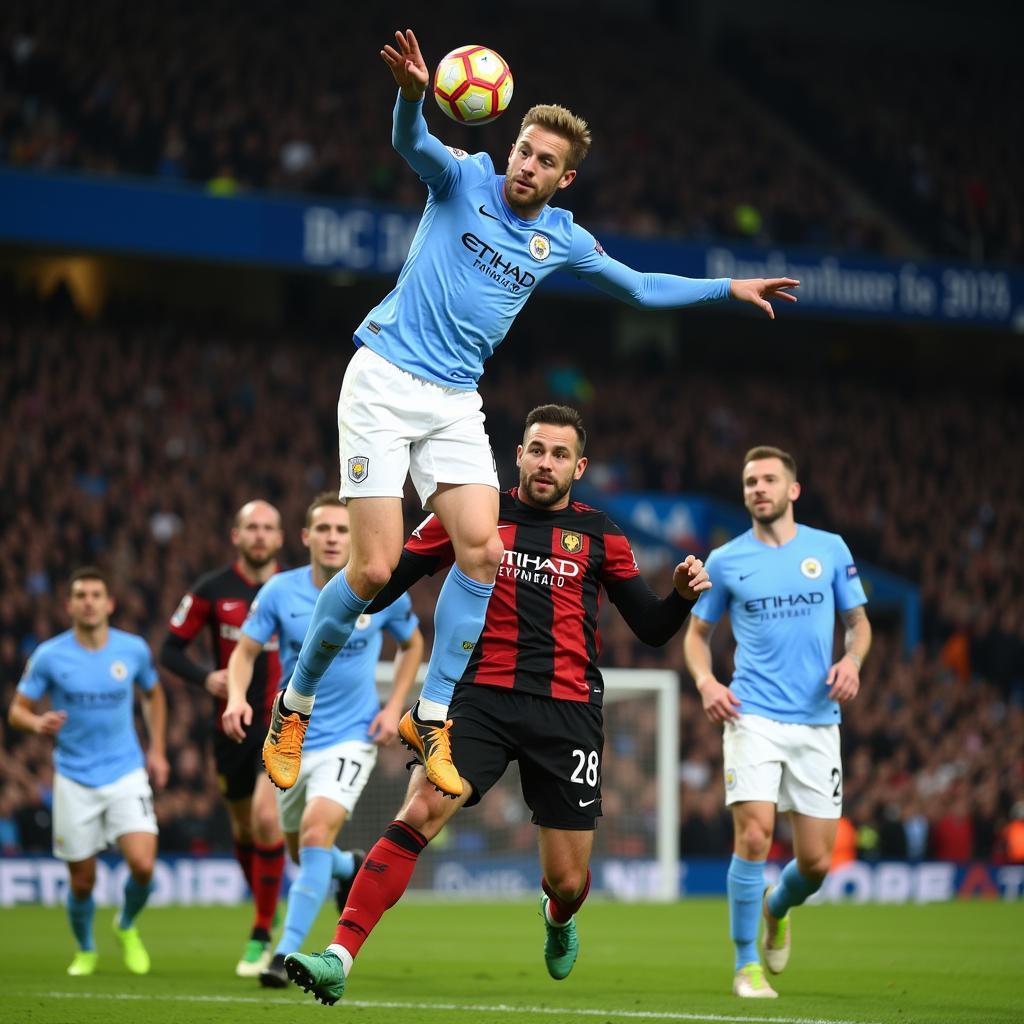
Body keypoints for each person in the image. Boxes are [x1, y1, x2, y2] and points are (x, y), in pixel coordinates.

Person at [262, 28, 798, 801]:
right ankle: (295, 705)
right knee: (374, 569)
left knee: (483, 553)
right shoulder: (462, 180)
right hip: (383, 379)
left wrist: (728, 289)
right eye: (522, 149)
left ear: (565, 176)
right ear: (506, 146)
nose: (526, 165)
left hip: (453, 399)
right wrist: (413, 95)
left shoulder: (561, 239)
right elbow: (411, 140)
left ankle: (433, 714)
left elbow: (641, 287)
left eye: (545, 160)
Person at [280, 404, 711, 1005]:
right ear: (518, 454)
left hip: (567, 713)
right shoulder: (472, 516)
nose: (546, 463)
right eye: (537, 449)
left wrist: (682, 598)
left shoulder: (601, 534)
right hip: (476, 702)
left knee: (567, 878)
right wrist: (359, 566)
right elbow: (383, 589)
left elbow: (653, 627)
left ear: (579, 466)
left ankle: (558, 917)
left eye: (560, 454)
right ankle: (339, 956)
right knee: (419, 812)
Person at [682, 446, 871, 998]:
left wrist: (852, 661)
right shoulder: (724, 560)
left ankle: (777, 907)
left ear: (793, 489)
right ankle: (746, 965)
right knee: (756, 835)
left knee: (814, 863)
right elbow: (697, 637)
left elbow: (859, 624)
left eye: (768, 479)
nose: (758, 488)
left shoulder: (829, 550)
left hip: (816, 721)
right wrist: (708, 683)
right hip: (751, 715)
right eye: (749, 481)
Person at [223, 493, 424, 988]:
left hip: (350, 738)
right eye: (325, 529)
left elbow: (414, 642)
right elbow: (244, 652)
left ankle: (284, 952)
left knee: (314, 834)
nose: (334, 537)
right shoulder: (278, 591)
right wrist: (234, 697)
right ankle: (344, 867)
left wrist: (394, 703)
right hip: (290, 734)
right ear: (306, 537)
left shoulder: (381, 589)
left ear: (355, 536)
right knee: (282, 839)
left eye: (343, 529)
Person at [8, 567, 168, 977]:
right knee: (82, 881)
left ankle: (126, 925)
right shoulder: (49, 655)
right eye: (81, 595)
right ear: (70, 605)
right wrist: (36, 722)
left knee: (144, 865)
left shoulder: (131, 650)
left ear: (109, 603)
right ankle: (85, 949)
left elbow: (153, 695)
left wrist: (158, 749)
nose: (89, 601)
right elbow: (16, 711)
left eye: (97, 594)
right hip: (74, 777)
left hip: (126, 771)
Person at [158, 499, 287, 976]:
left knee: (264, 818)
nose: (259, 535)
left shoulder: (294, 589)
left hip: (280, 724)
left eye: (267, 528)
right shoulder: (213, 590)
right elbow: (169, 650)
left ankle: (260, 932)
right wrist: (204, 678)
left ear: (280, 537)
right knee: (244, 829)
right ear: (236, 535)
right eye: (250, 527)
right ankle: (269, 907)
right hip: (229, 725)